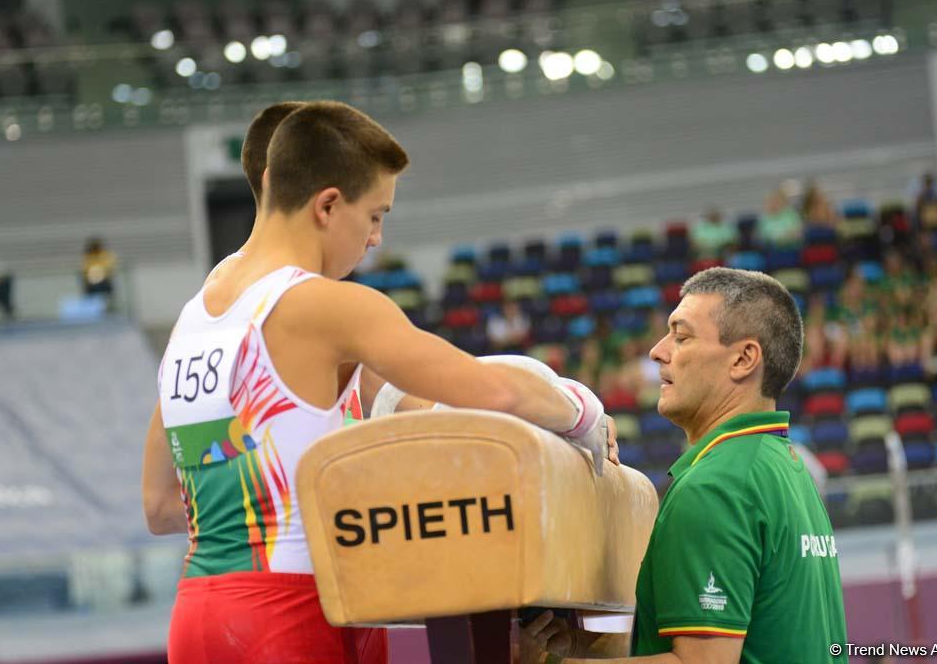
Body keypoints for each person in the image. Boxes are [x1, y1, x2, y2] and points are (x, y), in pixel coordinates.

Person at [141, 101, 617, 664]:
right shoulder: (327, 308)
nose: (376, 239)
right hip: (291, 614)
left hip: (197, 616)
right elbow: (495, 393)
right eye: (374, 215)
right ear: (327, 206)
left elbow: (160, 505)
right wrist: (583, 413)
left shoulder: (194, 320)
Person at [522, 267, 847, 664]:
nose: (658, 350)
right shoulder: (788, 471)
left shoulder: (717, 487)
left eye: (681, 335)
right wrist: (580, 647)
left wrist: (544, 663)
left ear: (744, 359)